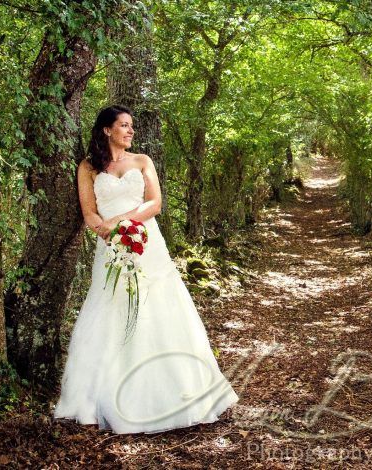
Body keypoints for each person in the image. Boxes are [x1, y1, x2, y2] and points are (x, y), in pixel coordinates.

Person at [54, 105, 238, 433]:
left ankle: (175, 393)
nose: (130, 131)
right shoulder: (88, 167)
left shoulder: (142, 161)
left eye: (131, 126)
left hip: (146, 240)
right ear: (107, 129)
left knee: (159, 306)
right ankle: (108, 395)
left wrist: (125, 223)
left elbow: (154, 203)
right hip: (109, 246)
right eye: (124, 126)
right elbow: (89, 213)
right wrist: (109, 232)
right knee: (111, 308)